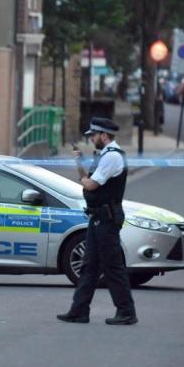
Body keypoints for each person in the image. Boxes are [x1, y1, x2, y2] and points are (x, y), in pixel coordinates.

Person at [57, 117, 137, 326]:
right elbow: (88, 181)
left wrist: (83, 180)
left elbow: (91, 185)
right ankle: (79, 311)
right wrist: (79, 164)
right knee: (89, 266)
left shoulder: (112, 157)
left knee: (113, 266)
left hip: (107, 218)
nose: (91, 139)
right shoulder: (103, 155)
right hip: (98, 217)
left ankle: (127, 311)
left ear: (103, 135)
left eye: (93, 135)